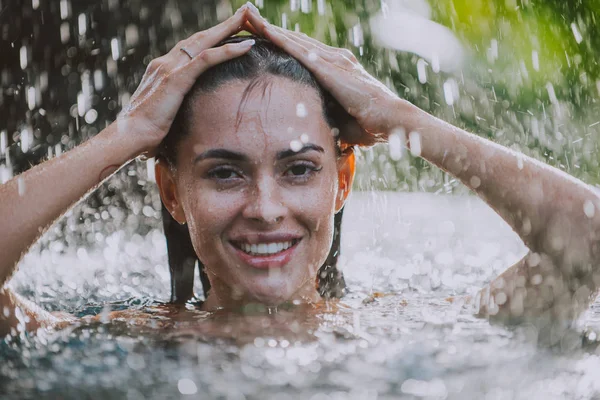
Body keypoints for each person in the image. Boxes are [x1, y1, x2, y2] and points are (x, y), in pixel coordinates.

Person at [1, 3, 599, 338]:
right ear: (172, 192)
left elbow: (591, 243)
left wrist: (400, 116)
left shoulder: (403, 329)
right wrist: (123, 137)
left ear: (342, 181)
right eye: (224, 174)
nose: (265, 207)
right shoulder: (131, 339)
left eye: (298, 170)